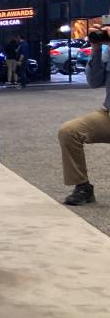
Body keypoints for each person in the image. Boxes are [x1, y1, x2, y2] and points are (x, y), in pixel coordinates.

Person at [57, 25, 110, 206]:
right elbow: (94, 82)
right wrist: (96, 49)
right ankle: (83, 187)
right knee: (69, 131)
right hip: (108, 114)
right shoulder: (106, 51)